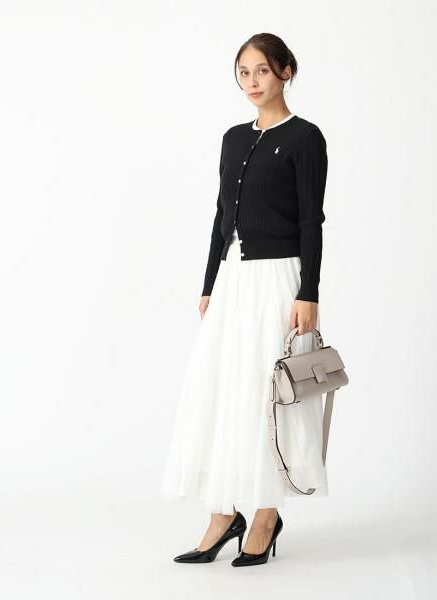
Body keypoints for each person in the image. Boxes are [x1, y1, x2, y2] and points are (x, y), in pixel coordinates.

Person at [160, 32, 329, 567]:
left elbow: (311, 220)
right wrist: (209, 283)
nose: (252, 82)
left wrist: (308, 292)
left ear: (285, 72)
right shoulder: (233, 139)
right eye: (243, 72)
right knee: (220, 388)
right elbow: (221, 216)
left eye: (262, 71)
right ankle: (222, 513)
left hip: (279, 278)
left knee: (265, 393)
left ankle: (265, 515)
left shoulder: (305, 138)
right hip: (233, 278)